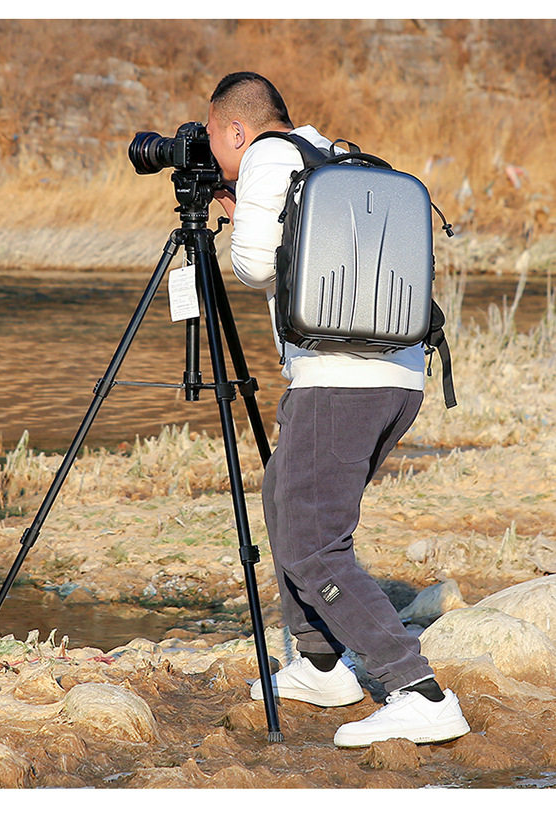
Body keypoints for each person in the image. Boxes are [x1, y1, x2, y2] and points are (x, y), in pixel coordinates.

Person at [206, 71, 470, 748]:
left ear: (236, 129)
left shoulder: (267, 156)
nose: (211, 153)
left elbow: (254, 266)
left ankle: (419, 692)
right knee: (285, 503)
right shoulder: (327, 153)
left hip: (339, 383)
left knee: (312, 543)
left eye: (212, 138)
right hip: (395, 377)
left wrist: (239, 217)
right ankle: (322, 664)